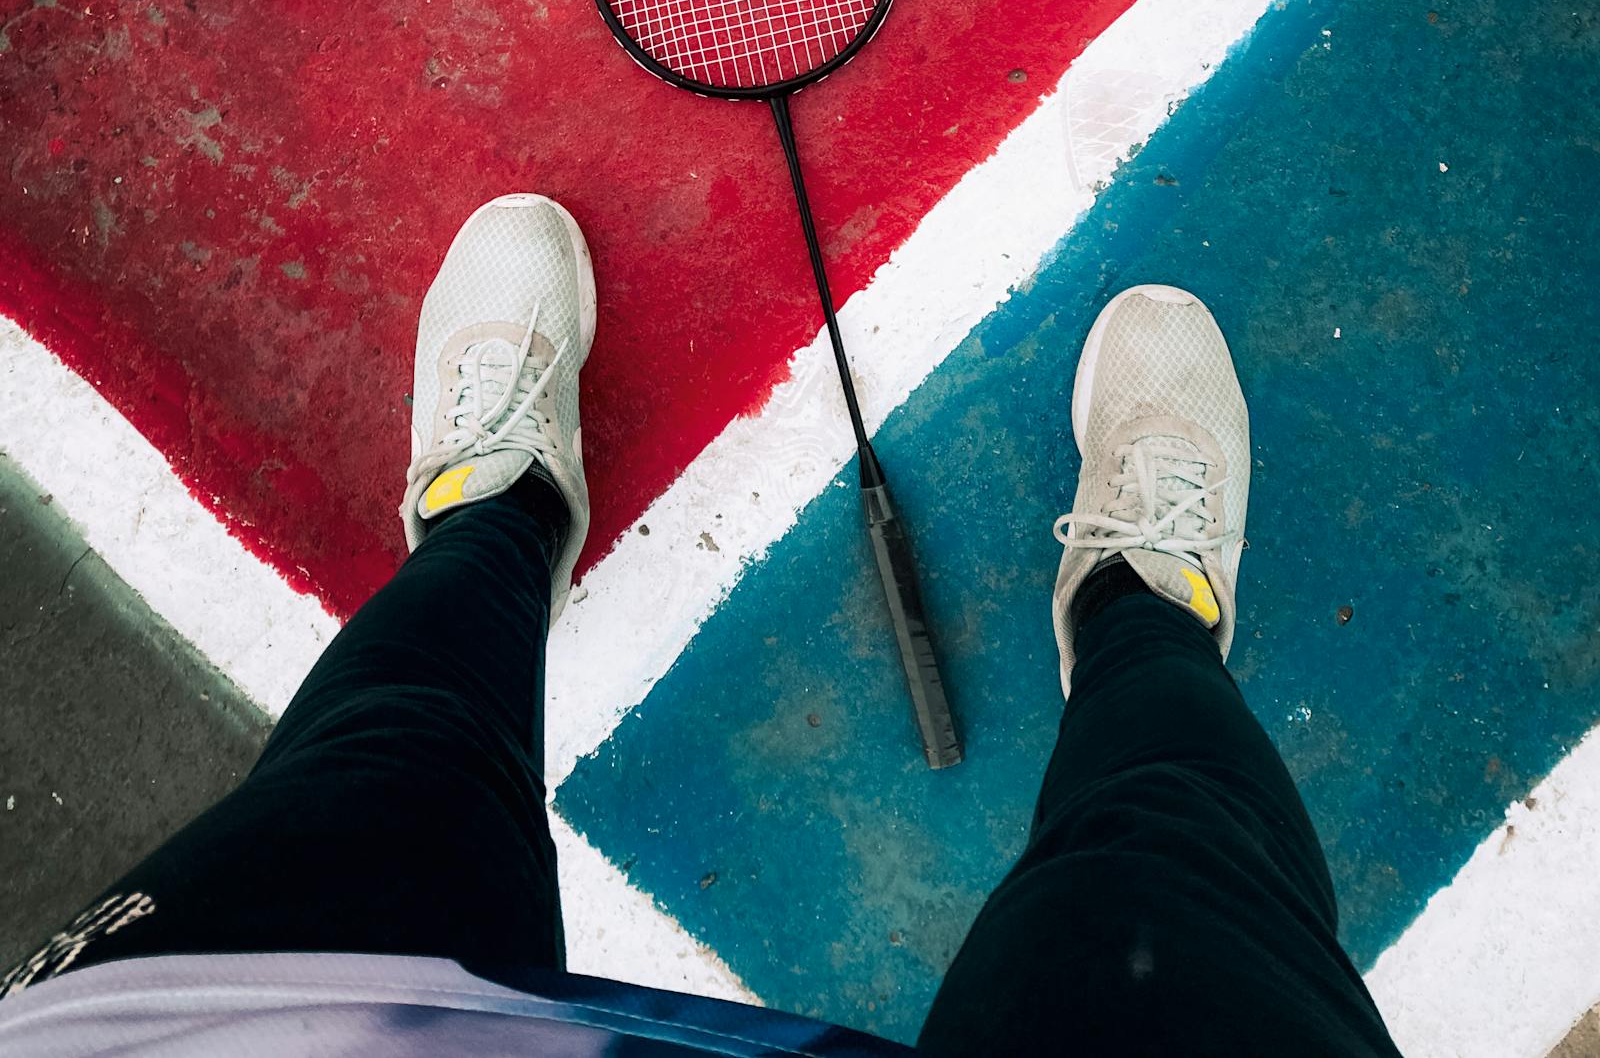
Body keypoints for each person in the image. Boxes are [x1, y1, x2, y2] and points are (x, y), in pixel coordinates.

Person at [0, 195, 1403, 1055]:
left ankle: (501, 516)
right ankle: (1143, 617)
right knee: (1176, 864)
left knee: (394, 760)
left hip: (219, 1032)